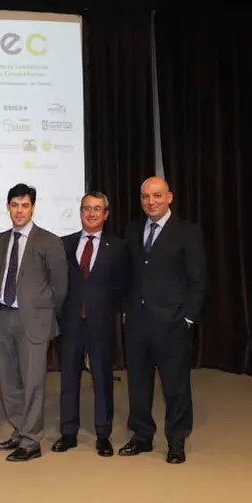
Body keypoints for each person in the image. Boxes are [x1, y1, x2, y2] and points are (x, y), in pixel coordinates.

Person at [119, 177, 205, 464]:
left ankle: (176, 440)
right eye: (145, 196)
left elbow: (197, 279)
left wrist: (189, 318)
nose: (150, 201)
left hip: (173, 323)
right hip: (138, 323)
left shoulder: (188, 232)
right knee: (138, 384)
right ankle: (142, 435)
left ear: (170, 197)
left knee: (175, 385)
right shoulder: (132, 231)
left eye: (157, 196)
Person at [0, 183, 68, 462]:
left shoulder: (49, 241)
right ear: (8, 207)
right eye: (15, 205)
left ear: (33, 208)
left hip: (33, 321)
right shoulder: (0, 240)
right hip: (4, 317)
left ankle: (32, 441)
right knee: (10, 382)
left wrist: (41, 308)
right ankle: (19, 430)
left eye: (25, 205)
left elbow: (59, 287)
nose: (19, 210)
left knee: (33, 382)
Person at [52, 192, 128, 457]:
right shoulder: (64, 244)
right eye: (87, 208)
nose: (92, 213)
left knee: (103, 379)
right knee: (68, 379)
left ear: (106, 214)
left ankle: (103, 434)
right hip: (71, 322)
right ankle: (68, 432)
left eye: (97, 209)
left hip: (101, 323)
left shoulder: (118, 247)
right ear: (80, 211)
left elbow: (121, 285)